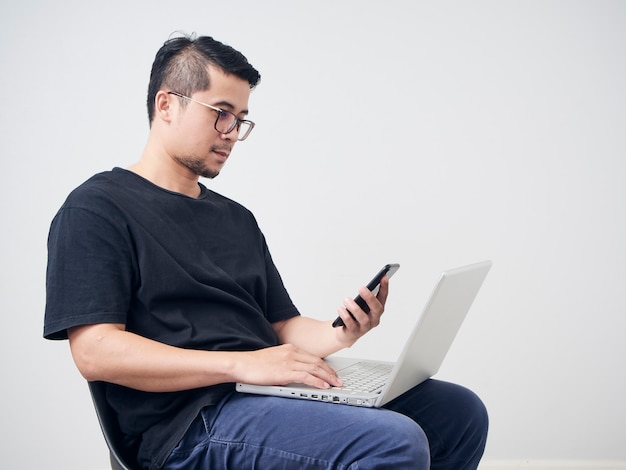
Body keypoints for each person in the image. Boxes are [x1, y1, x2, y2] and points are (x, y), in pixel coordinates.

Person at [44, 34, 488, 470]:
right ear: (166, 105)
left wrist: (342, 333)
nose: (232, 133)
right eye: (221, 114)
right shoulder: (97, 208)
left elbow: (281, 325)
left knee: (458, 414)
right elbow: (95, 352)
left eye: (240, 119)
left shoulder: (236, 219)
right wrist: (243, 365)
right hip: (188, 424)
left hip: (265, 393)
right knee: (395, 442)